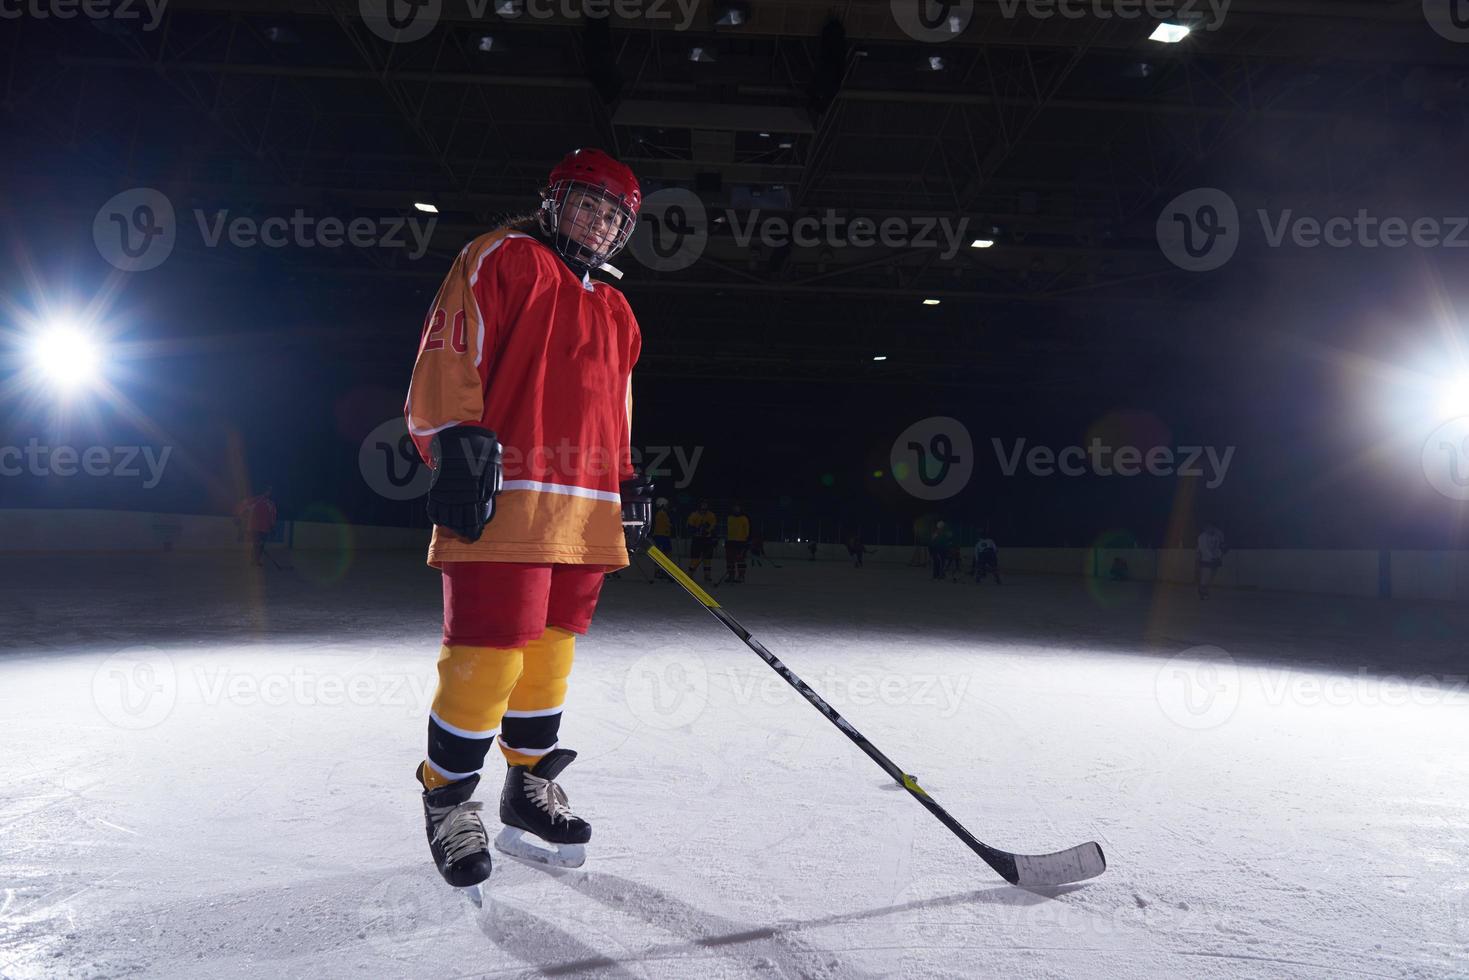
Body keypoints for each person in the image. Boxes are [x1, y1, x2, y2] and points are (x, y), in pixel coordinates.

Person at [402, 148, 650, 892]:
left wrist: (627, 479)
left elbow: (617, 409)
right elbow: (450, 347)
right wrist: (451, 438)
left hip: (583, 511)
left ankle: (528, 783)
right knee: (488, 656)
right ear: (552, 201)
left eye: (613, 215)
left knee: (550, 655)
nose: (598, 221)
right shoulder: (503, 258)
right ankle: (447, 802)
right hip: (505, 499)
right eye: (587, 203)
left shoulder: (616, 307)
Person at [234, 486, 277, 567]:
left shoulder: (270, 504)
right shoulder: (261, 501)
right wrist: (237, 516)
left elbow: (272, 517)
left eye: (270, 491)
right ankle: (255, 560)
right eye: (269, 491)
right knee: (257, 544)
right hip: (257, 528)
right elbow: (243, 506)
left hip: (260, 528)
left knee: (258, 545)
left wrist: (237, 516)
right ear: (266, 492)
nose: (269, 493)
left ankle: (255, 560)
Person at [686, 499, 717, 583]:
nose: (704, 508)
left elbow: (713, 526)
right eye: (702, 505)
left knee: (707, 559)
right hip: (697, 539)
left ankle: (707, 575)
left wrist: (713, 537)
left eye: (705, 505)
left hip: (707, 539)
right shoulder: (694, 515)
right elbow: (690, 526)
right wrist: (697, 530)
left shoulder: (711, 515)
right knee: (695, 558)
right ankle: (690, 574)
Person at [1197, 524, 1227, 599]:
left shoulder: (1218, 534)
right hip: (1205, 559)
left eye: (1212, 527)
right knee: (1206, 575)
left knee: (1212, 575)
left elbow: (1220, 546)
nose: (1210, 529)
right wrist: (1212, 557)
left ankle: (1205, 589)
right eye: (1208, 528)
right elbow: (1204, 549)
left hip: (1216, 558)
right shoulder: (1202, 537)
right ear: (1205, 529)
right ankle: (1202, 591)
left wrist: (1219, 555)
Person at [725, 501, 750, 583]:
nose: (736, 509)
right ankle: (731, 575)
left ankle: (741, 576)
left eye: (737, 508)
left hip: (741, 541)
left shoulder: (744, 518)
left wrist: (747, 540)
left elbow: (747, 531)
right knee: (729, 560)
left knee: (741, 559)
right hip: (730, 541)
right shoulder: (729, 518)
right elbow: (728, 529)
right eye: (735, 508)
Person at [650, 497, 673, 580]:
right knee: (665, 553)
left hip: (662, 535)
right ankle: (660, 571)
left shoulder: (661, 513)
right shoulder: (661, 513)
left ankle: (661, 570)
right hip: (661, 535)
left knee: (665, 553)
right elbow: (667, 524)